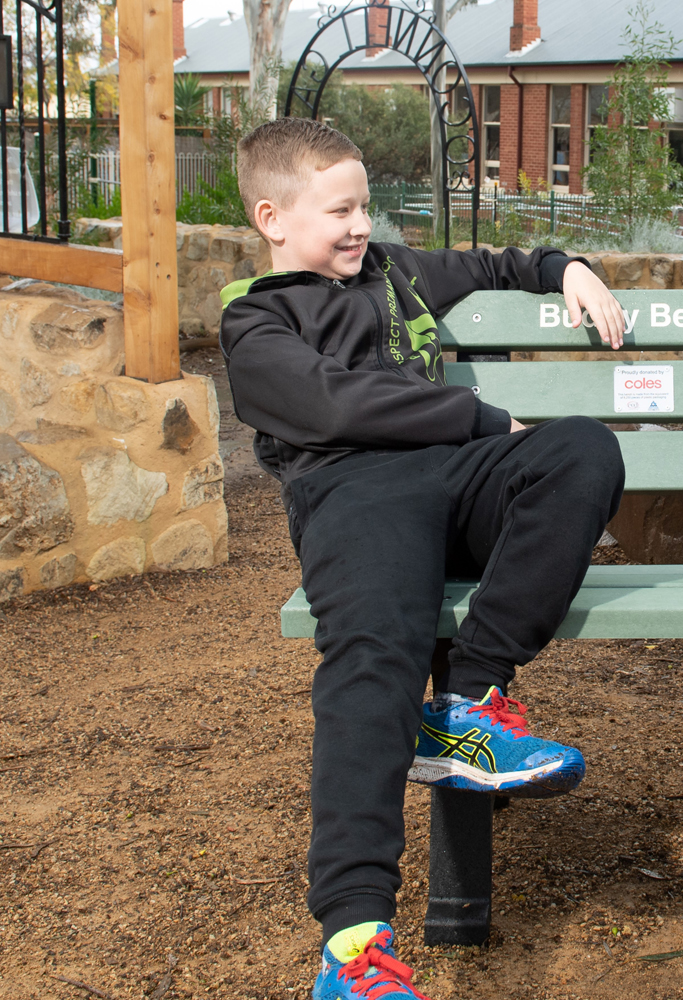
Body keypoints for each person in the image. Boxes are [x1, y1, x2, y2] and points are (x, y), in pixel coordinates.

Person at [219, 117, 628, 1000]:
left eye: (365, 205)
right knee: (375, 659)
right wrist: (480, 418)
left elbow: (493, 265)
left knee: (582, 450)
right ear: (273, 217)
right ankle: (354, 941)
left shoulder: (394, 272)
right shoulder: (257, 322)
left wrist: (567, 267)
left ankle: (470, 702)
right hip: (355, 497)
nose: (362, 225)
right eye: (341, 210)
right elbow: (336, 405)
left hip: (456, 485)